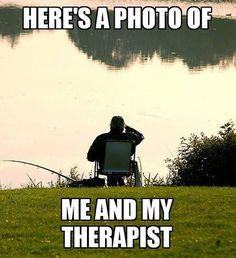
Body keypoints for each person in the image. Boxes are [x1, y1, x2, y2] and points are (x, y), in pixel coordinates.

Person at [87, 116, 144, 186]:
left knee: (110, 167)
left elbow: (90, 157)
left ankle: (114, 185)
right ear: (123, 126)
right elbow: (141, 137)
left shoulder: (101, 138)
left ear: (110, 125)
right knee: (118, 167)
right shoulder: (130, 138)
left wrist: (100, 156)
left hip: (106, 168)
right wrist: (128, 128)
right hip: (125, 168)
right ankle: (121, 185)